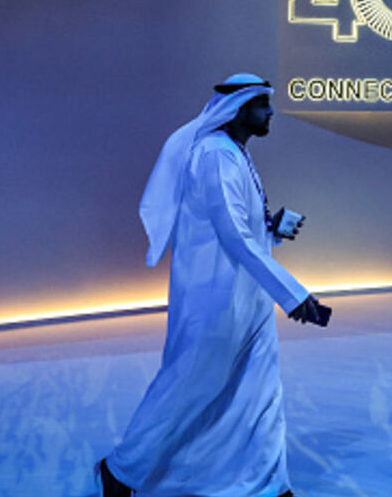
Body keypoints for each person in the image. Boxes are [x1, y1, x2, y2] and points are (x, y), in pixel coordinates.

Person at [98, 73, 329, 497]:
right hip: (215, 302)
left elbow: (240, 227)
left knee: (259, 392)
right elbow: (233, 237)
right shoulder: (215, 156)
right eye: (263, 105)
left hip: (247, 300)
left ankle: (268, 485)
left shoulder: (233, 153)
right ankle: (120, 470)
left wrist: (271, 227)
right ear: (239, 108)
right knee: (187, 388)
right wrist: (294, 296)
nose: (271, 112)